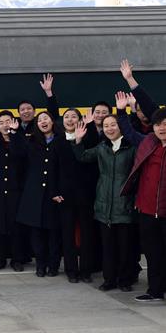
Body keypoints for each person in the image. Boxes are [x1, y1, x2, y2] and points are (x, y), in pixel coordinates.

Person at [116, 92, 166, 307]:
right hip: (146, 209)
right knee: (152, 253)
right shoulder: (147, 142)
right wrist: (121, 111)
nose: (161, 128)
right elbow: (128, 131)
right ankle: (155, 290)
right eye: (158, 125)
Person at [72, 110, 137, 292]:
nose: (109, 128)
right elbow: (83, 157)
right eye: (106, 125)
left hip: (124, 204)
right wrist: (78, 141)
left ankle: (125, 280)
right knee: (107, 247)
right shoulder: (102, 148)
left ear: (121, 127)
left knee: (125, 247)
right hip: (103, 204)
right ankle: (109, 279)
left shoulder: (131, 147)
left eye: (113, 125)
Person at [8, 111, 65, 277]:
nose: (43, 122)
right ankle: (40, 265)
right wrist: (14, 132)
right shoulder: (31, 141)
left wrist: (60, 191)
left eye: (46, 118)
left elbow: (65, 169)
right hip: (34, 195)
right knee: (37, 234)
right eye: (39, 120)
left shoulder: (61, 141)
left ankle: (53, 266)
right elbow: (17, 153)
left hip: (54, 195)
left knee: (54, 234)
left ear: (52, 121)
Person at [58, 107, 99, 283]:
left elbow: (94, 157)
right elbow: (53, 168)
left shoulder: (89, 137)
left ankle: (86, 270)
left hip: (86, 193)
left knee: (87, 233)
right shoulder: (58, 141)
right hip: (65, 195)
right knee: (67, 234)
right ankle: (71, 270)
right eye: (66, 117)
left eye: (73, 116)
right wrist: (55, 192)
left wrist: (86, 131)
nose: (69, 119)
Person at [0, 110, 26, 272]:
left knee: (16, 228)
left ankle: (17, 260)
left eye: (8, 121)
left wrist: (14, 135)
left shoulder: (20, 139)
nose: (5, 125)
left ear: (13, 122)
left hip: (15, 191)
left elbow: (20, 156)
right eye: (1, 123)